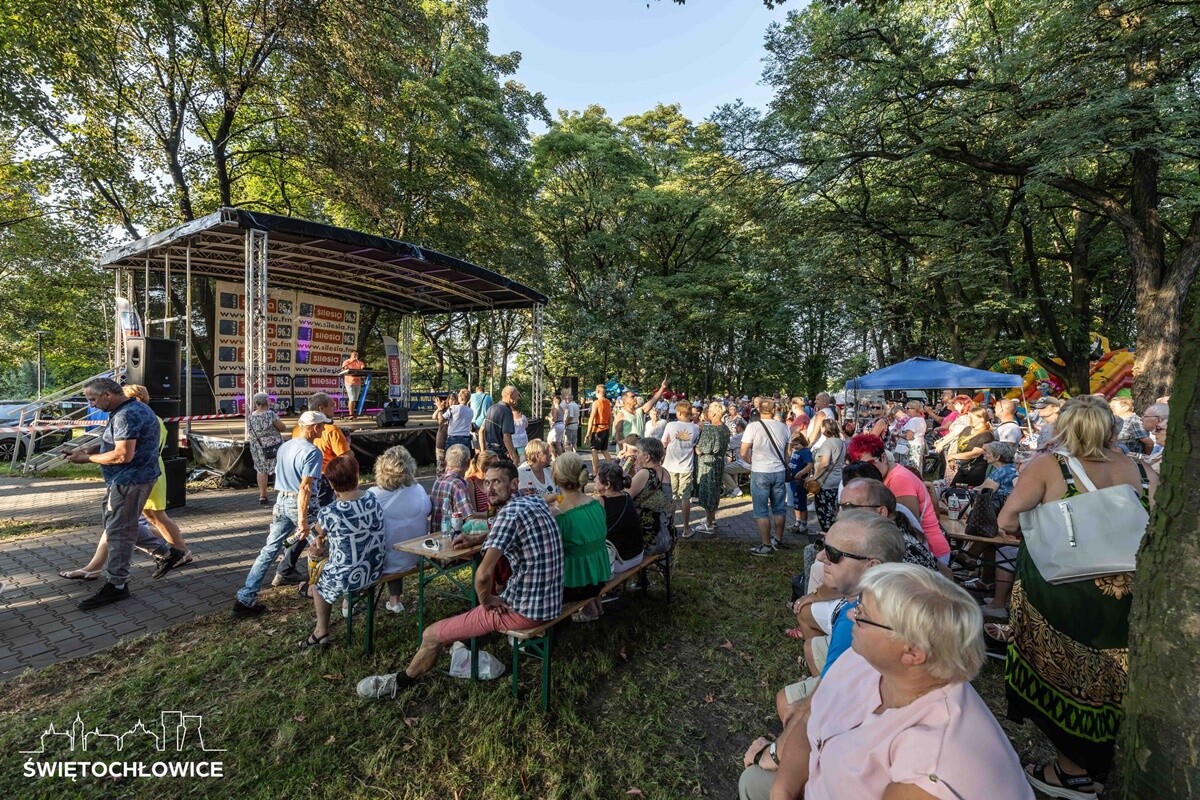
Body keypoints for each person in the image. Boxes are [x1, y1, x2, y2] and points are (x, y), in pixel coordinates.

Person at [741, 563, 1034, 800]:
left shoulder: (934, 760)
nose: (850, 615)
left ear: (913, 652)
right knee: (753, 782)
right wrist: (782, 791)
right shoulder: (866, 660)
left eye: (863, 614)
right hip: (817, 781)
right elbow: (810, 718)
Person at [1000, 395, 1157, 795]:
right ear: (1111, 428)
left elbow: (1007, 519)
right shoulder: (1141, 468)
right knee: (1113, 679)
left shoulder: (1049, 465)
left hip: (1063, 595)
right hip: (1127, 596)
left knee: (1065, 677)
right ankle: (1110, 760)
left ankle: (1072, 771)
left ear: (1064, 427)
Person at [356, 461, 563, 699]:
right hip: (551, 600)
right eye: (487, 482)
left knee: (431, 634)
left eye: (497, 482)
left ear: (514, 484)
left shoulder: (508, 514)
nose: (489, 489)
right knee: (477, 610)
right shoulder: (533, 501)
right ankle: (467, 635)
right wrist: (478, 539)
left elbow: (482, 575)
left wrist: (487, 602)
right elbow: (510, 526)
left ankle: (400, 681)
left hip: (525, 611)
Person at [776, 511, 906, 716]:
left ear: (872, 567)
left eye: (833, 553)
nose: (820, 557)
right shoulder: (885, 592)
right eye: (822, 546)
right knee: (811, 646)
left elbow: (832, 701)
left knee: (786, 702)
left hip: (872, 705)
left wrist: (803, 713)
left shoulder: (854, 622)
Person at [63, 378, 163, 609]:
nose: (92, 404)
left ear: (107, 394)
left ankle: (117, 585)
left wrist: (86, 458)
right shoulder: (132, 409)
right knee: (118, 526)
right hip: (130, 480)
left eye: (93, 399)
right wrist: (90, 448)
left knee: (119, 532)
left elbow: (122, 455)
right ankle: (167, 552)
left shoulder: (126, 414)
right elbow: (121, 443)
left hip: (129, 481)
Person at [232, 410, 328, 619]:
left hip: (281, 501)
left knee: (269, 550)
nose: (323, 429)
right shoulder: (313, 452)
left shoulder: (285, 446)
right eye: (322, 426)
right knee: (321, 545)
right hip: (302, 505)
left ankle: (246, 597)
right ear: (314, 428)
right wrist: (302, 520)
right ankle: (324, 589)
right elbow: (305, 487)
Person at [301, 454, 385, 648]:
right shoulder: (372, 498)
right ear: (357, 475)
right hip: (375, 568)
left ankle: (321, 631)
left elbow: (317, 533)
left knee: (317, 577)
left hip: (349, 576)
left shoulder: (330, 512)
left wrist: (317, 544)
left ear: (331, 483)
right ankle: (346, 602)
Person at [275, 392, 350, 586]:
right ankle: (320, 573)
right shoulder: (332, 430)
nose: (334, 409)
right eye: (331, 405)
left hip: (297, 484)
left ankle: (286, 568)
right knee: (318, 529)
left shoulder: (297, 430)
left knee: (304, 528)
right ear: (321, 409)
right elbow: (347, 457)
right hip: (322, 481)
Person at [846, 434, 952, 569]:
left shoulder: (899, 480)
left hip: (930, 554)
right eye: (860, 465)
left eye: (870, 464)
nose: (866, 470)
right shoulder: (889, 475)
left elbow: (908, 528)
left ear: (883, 457)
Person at [120, 384, 191, 575]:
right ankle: (176, 549)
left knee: (157, 516)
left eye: (125, 398)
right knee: (151, 515)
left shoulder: (146, 418)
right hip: (151, 468)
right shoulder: (153, 417)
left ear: (136, 399)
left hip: (149, 470)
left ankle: (181, 551)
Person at [369, 445, 431, 614]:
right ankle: (395, 600)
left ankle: (348, 603)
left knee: (387, 542)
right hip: (416, 556)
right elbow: (427, 510)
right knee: (397, 537)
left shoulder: (373, 495)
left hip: (387, 562)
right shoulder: (419, 490)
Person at [550, 453, 611, 622]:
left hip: (574, 585)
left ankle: (589, 609)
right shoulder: (597, 503)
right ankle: (594, 605)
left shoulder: (559, 515)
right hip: (599, 577)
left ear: (556, 478)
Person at [741, 398, 793, 556]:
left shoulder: (752, 427)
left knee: (761, 510)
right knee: (779, 508)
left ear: (758, 409)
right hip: (779, 471)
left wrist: (752, 461)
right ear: (774, 409)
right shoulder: (784, 427)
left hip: (760, 471)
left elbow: (743, 452)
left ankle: (766, 545)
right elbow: (788, 453)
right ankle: (778, 540)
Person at [595, 461, 644, 576]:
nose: (594, 480)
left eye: (597, 477)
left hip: (619, 561)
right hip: (637, 555)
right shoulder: (627, 496)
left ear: (607, 485)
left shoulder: (601, 502)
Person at [661, 401, 700, 537]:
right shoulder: (695, 428)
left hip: (670, 465)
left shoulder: (671, 425)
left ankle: (670, 526)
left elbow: (663, 443)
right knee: (685, 497)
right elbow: (694, 443)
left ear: (678, 412)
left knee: (671, 497)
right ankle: (686, 528)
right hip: (686, 466)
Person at [692, 401, 731, 535]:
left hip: (708, 463)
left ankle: (709, 524)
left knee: (708, 492)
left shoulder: (710, 429)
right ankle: (711, 518)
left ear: (714, 413)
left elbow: (702, 449)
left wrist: (696, 447)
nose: (707, 413)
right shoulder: (724, 428)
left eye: (709, 411)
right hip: (719, 462)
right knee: (714, 491)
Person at [629, 437, 672, 553]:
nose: (635, 455)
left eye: (638, 452)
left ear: (647, 457)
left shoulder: (645, 473)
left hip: (648, 537)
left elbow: (624, 497)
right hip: (666, 533)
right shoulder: (664, 472)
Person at [247, 391, 289, 504]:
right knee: (279, 468)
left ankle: (263, 495)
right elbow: (282, 428)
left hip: (258, 447)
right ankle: (283, 493)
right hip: (273, 446)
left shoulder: (251, 417)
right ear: (266, 401)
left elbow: (250, 432)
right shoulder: (270, 414)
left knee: (261, 470)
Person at [809, 418, 846, 533]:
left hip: (825, 482)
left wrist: (814, 477)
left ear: (824, 428)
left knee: (824, 511)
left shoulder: (828, 443)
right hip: (837, 479)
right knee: (833, 509)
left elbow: (824, 463)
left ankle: (827, 533)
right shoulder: (841, 442)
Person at [430, 444, 476, 532]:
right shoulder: (458, 484)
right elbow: (469, 518)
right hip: (452, 535)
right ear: (468, 463)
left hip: (436, 534)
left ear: (445, 462)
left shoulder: (438, 481)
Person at [478, 385, 519, 464]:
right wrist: (514, 457)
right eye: (517, 395)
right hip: (500, 454)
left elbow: (481, 431)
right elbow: (506, 437)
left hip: (489, 452)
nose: (518, 398)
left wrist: (483, 452)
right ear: (510, 395)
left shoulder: (491, 408)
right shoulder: (506, 411)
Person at [786, 431, 814, 536]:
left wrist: (801, 473)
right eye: (793, 445)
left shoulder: (805, 452)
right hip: (793, 481)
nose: (794, 447)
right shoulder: (796, 452)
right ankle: (797, 522)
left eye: (796, 444)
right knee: (796, 502)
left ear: (802, 442)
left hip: (800, 481)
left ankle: (803, 524)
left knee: (801, 503)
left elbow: (810, 465)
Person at [585, 383, 614, 476]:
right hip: (606, 428)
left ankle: (595, 472)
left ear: (597, 392)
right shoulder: (608, 403)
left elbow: (591, 418)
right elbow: (610, 418)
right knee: (604, 450)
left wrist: (588, 433)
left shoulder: (596, 403)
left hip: (598, 429)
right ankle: (612, 470)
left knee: (594, 450)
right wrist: (609, 429)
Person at [465, 450, 500, 515]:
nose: (499, 468)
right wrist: (492, 513)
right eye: (496, 465)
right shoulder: (470, 482)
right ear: (483, 467)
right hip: (481, 520)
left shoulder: (494, 480)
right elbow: (472, 514)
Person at [444, 388, 473, 453]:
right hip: (465, 437)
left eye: (458, 396)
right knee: (464, 457)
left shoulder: (453, 408)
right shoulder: (471, 411)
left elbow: (442, 419)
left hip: (453, 437)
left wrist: (439, 408)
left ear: (461, 398)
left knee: (450, 457)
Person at [340, 350, 365, 419]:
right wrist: (352, 361)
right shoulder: (347, 362)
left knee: (355, 399)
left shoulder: (360, 362)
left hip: (358, 383)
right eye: (354, 355)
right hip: (349, 382)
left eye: (357, 355)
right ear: (351, 355)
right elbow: (344, 369)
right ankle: (350, 414)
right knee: (352, 398)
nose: (356, 356)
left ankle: (353, 413)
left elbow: (363, 368)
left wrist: (360, 365)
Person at [431, 393, 451, 474]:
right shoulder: (440, 410)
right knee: (440, 464)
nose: (443, 402)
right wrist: (439, 409)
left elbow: (441, 420)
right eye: (441, 400)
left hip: (450, 438)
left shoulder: (452, 409)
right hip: (441, 438)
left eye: (445, 400)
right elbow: (434, 417)